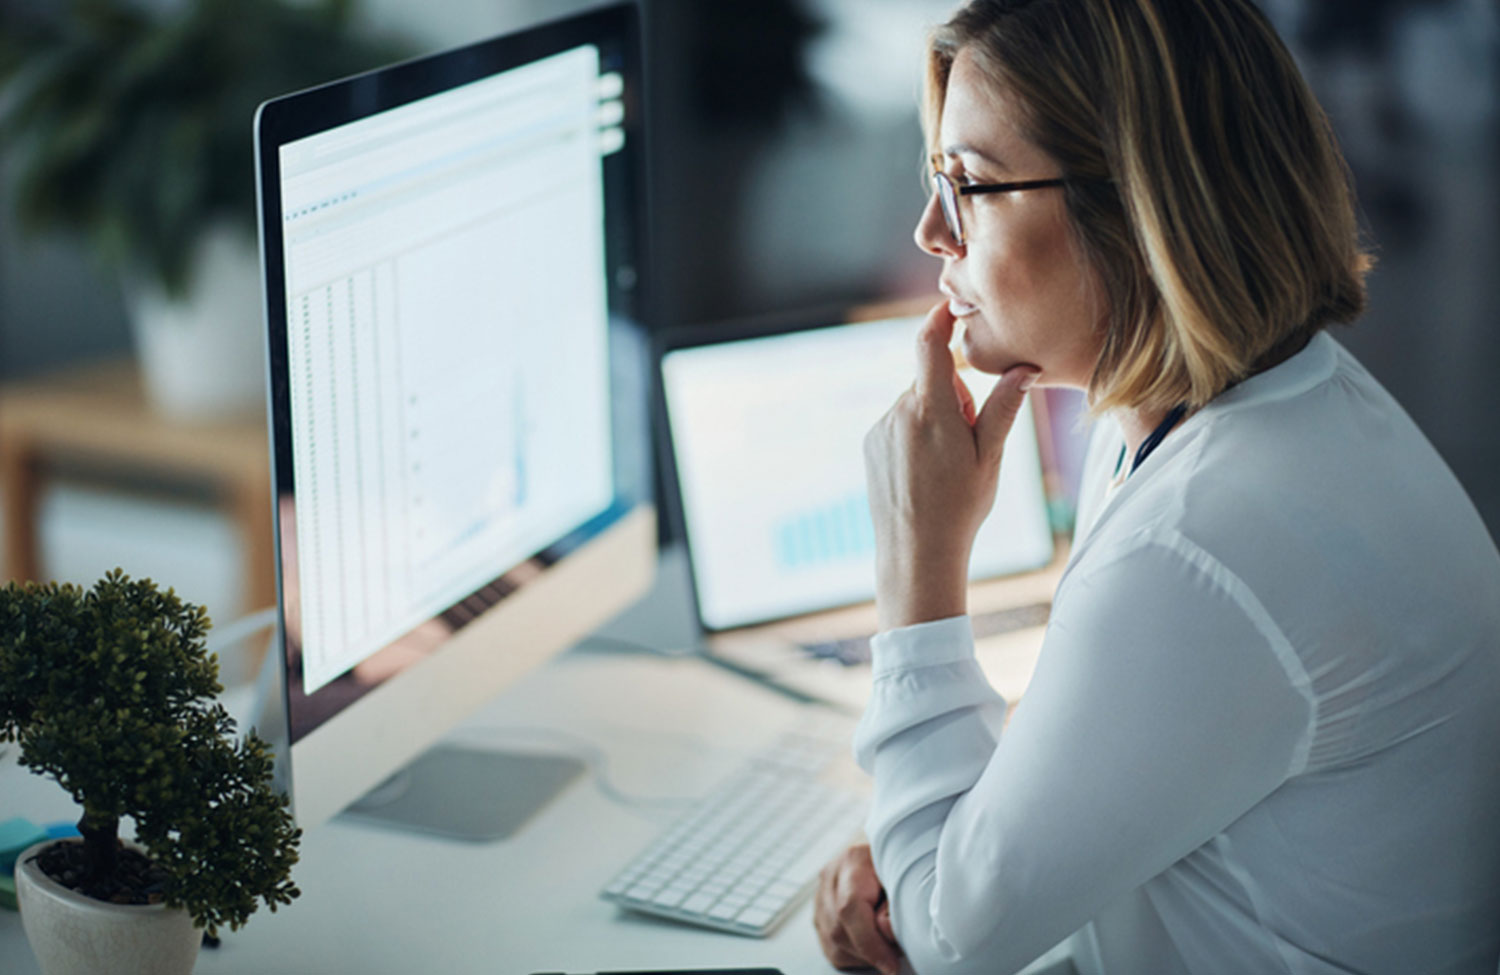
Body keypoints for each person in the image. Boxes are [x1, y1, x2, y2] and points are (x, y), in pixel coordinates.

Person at [813, 1, 1500, 973]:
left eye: (968, 183)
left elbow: (949, 948)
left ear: (1138, 212)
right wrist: (927, 848)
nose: (931, 232)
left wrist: (920, 570)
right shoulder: (1249, 405)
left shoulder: (1206, 539)